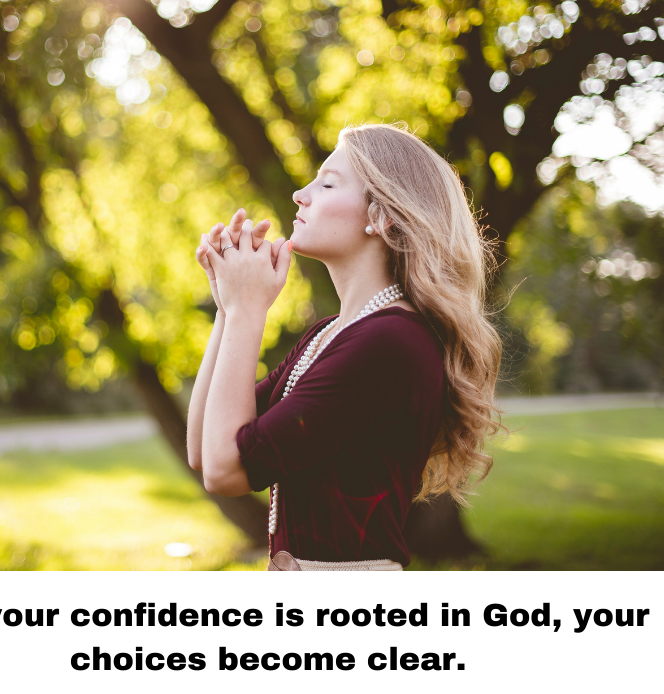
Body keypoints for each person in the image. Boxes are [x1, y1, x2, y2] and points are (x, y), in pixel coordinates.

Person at [186, 123, 504, 571]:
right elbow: (203, 450)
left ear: (382, 216)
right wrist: (228, 306)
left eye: (327, 183)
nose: (301, 193)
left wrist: (248, 311)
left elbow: (226, 472)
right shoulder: (332, 334)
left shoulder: (388, 344)